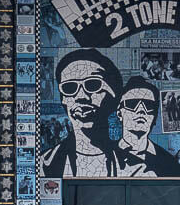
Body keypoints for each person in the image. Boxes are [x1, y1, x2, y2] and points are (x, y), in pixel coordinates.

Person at [42, 48, 121, 177]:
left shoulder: (136, 166)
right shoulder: (45, 164)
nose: (81, 96)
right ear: (63, 100)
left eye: (93, 84)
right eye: (69, 88)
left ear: (114, 94)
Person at [113, 77, 180, 176]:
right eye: (132, 104)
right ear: (119, 113)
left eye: (149, 105)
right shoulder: (104, 154)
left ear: (154, 116)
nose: (141, 110)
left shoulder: (169, 162)